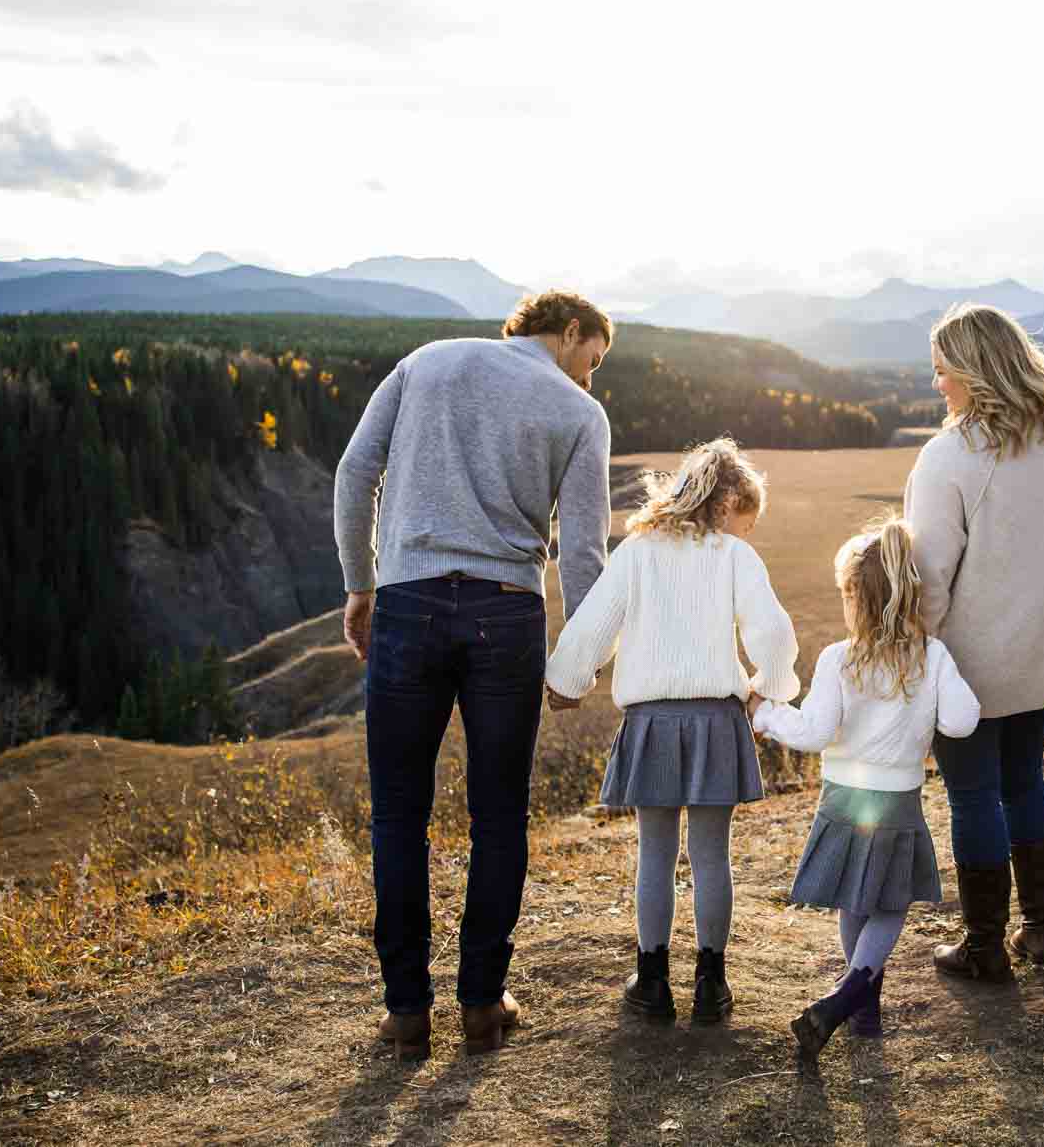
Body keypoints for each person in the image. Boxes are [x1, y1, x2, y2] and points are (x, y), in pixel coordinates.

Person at [333, 290, 614, 1059]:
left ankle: (405, 1010)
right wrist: (578, 662)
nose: (592, 376)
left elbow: (355, 471)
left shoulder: (427, 363)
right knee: (498, 816)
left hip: (409, 604)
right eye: (594, 357)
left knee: (398, 814)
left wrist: (361, 585)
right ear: (569, 332)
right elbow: (584, 553)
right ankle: (484, 1004)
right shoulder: (579, 414)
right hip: (506, 616)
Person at [544, 437, 798, 1026]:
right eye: (746, 519)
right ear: (727, 500)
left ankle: (652, 982)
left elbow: (594, 623)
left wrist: (568, 681)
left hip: (651, 722)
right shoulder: (734, 557)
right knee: (712, 856)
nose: (747, 533)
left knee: (654, 855)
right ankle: (712, 984)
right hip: (715, 720)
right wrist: (772, 687)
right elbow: (775, 633)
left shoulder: (637, 552)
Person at [904, 303, 1044, 983]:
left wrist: (914, 651)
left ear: (976, 371)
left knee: (974, 794)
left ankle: (984, 944)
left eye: (943, 371)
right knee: (1023, 780)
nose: (938, 385)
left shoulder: (950, 456)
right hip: (1043, 652)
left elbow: (927, 575)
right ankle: (1039, 928)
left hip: (969, 662)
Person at [752, 515, 980, 1061]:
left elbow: (812, 733)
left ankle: (855, 1002)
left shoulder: (838, 658)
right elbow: (963, 721)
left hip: (842, 801)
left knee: (856, 898)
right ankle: (854, 1000)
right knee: (888, 902)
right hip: (897, 802)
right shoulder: (931, 656)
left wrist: (765, 715)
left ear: (856, 597)